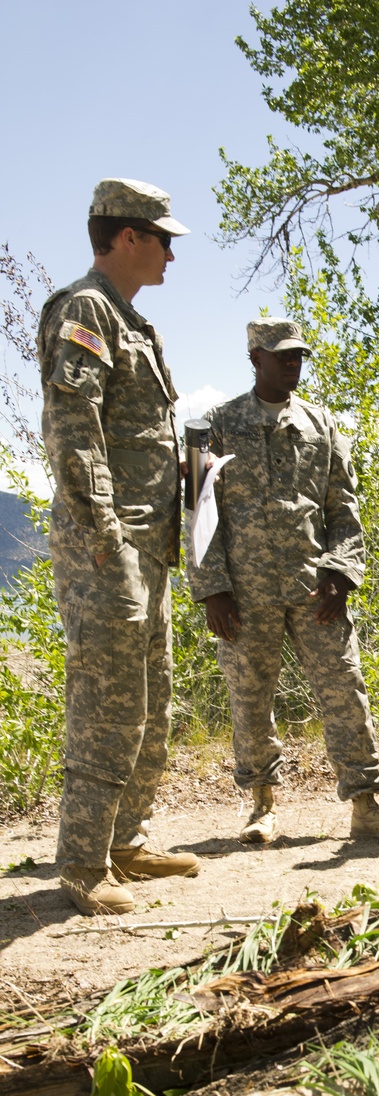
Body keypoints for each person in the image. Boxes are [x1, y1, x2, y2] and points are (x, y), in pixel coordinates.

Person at [187, 318, 379, 844]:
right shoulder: (212, 427)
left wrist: (340, 572)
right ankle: (262, 807)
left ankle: (365, 805)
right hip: (243, 593)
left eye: (298, 357)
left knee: (344, 690)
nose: (292, 364)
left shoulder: (322, 424)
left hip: (315, 589)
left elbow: (344, 510)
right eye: (281, 356)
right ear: (255, 359)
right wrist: (213, 589)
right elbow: (199, 513)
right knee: (249, 699)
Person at [37, 178, 200, 917]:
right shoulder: (85, 311)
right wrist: (105, 538)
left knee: (150, 699)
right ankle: (81, 864)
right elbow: (75, 434)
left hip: (147, 544)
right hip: (108, 544)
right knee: (107, 701)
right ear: (126, 236)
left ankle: (125, 840)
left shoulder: (137, 324)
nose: (171, 251)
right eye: (162, 237)